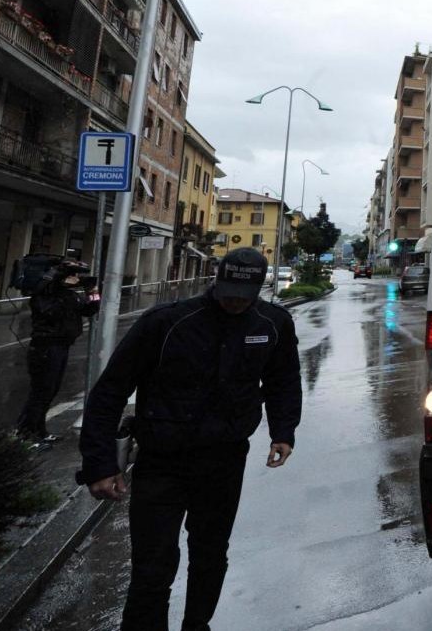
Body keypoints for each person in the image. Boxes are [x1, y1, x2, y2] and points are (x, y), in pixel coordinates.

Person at [76, 248, 302, 630]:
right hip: (162, 462)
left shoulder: (272, 323)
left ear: (258, 290)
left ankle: (197, 625)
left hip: (225, 461)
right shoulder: (166, 323)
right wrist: (99, 464)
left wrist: (283, 431)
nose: (233, 301)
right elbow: (110, 391)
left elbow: (283, 381)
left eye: (242, 296)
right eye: (227, 290)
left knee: (211, 555)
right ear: (216, 280)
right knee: (152, 565)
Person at [16, 260, 99, 446]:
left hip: (62, 346)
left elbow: (90, 309)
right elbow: (50, 312)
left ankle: (39, 430)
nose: (76, 279)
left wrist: (92, 292)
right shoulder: (44, 296)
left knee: (50, 390)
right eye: (73, 275)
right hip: (45, 347)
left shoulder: (68, 295)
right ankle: (25, 433)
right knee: (41, 391)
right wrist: (57, 284)